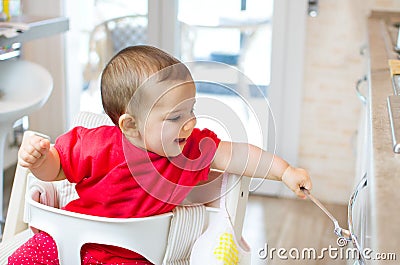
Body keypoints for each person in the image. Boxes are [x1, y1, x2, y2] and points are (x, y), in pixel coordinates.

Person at [9, 45, 312, 265]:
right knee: (21, 259)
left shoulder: (190, 150)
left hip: (133, 254)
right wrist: (40, 161)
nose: (190, 123)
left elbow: (238, 156)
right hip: (69, 240)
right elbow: (57, 169)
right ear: (129, 125)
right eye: (176, 117)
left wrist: (283, 171)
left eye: (191, 110)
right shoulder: (95, 144)